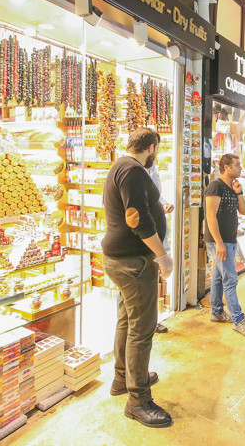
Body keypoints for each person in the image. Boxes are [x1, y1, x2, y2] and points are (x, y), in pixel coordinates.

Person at [102, 127, 173, 427]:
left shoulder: (121, 166)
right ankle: (138, 400)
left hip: (123, 259)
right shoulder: (133, 170)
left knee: (127, 320)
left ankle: (124, 378)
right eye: (157, 149)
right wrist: (162, 254)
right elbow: (138, 219)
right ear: (151, 147)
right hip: (133, 262)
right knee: (142, 329)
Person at [204, 154, 245, 338]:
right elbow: (210, 216)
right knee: (230, 279)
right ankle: (238, 320)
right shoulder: (215, 186)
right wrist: (219, 242)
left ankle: (217, 312)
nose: (240, 167)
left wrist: (239, 192)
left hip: (229, 239)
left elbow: (244, 210)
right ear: (226, 167)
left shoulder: (232, 187)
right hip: (219, 240)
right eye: (236, 165)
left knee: (219, 277)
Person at [147, 163, 174, 333]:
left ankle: (151, 321)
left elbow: (155, 197)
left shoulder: (153, 169)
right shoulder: (134, 171)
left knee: (152, 282)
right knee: (138, 287)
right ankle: (144, 325)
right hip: (145, 240)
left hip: (156, 236)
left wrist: (164, 204)